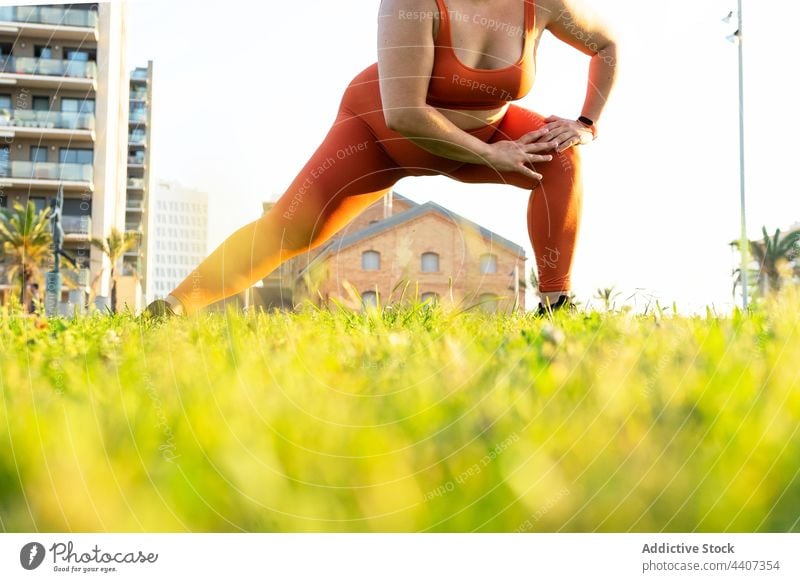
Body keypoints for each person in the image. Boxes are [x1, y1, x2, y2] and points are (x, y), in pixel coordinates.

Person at [145, 0, 617, 318]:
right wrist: (490, 154)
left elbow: (606, 46)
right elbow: (407, 114)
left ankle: (556, 307)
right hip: (381, 133)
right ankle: (172, 308)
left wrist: (585, 124)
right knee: (291, 230)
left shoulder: (543, 4)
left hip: (487, 133)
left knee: (562, 156)